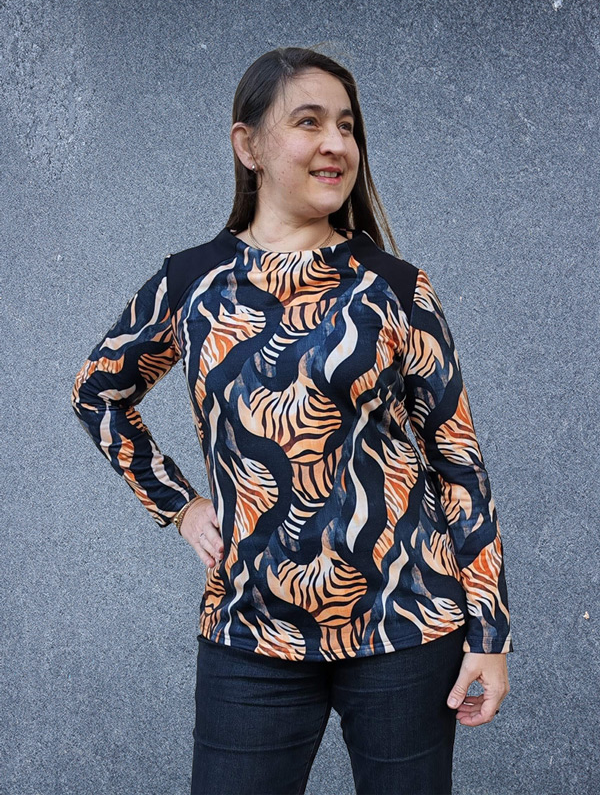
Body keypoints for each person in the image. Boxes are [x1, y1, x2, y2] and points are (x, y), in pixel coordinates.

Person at [71, 46, 512, 795]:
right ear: (248, 146)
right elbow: (98, 393)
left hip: (405, 620)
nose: (336, 143)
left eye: (347, 125)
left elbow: (455, 457)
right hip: (250, 627)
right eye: (309, 122)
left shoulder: (396, 288)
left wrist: (490, 631)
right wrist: (180, 506)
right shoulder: (191, 283)